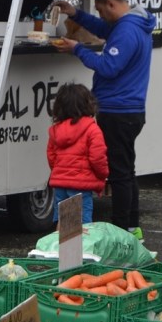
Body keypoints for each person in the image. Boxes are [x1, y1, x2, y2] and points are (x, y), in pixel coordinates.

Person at [52, 0, 155, 237]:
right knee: (126, 171)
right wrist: (76, 14)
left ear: (111, 4)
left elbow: (109, 67)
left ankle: (121, 231)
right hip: (130, 110)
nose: (99, 15)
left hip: (118, 111)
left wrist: (77, 49)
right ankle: (132, 227)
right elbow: (103, 29)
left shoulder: (127, 30)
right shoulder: (131, 24)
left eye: (100, 10)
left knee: (119, 174)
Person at [46, 82, 109, 225]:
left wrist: (60, 172)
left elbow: (51, 157)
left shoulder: (55, 130)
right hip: (81, 185)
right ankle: (79, 241)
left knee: (64, 223)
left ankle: (61, 240)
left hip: (60, 184)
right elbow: (98, 158)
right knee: (82, 225)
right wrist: (102, 176)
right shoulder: (92, 130)